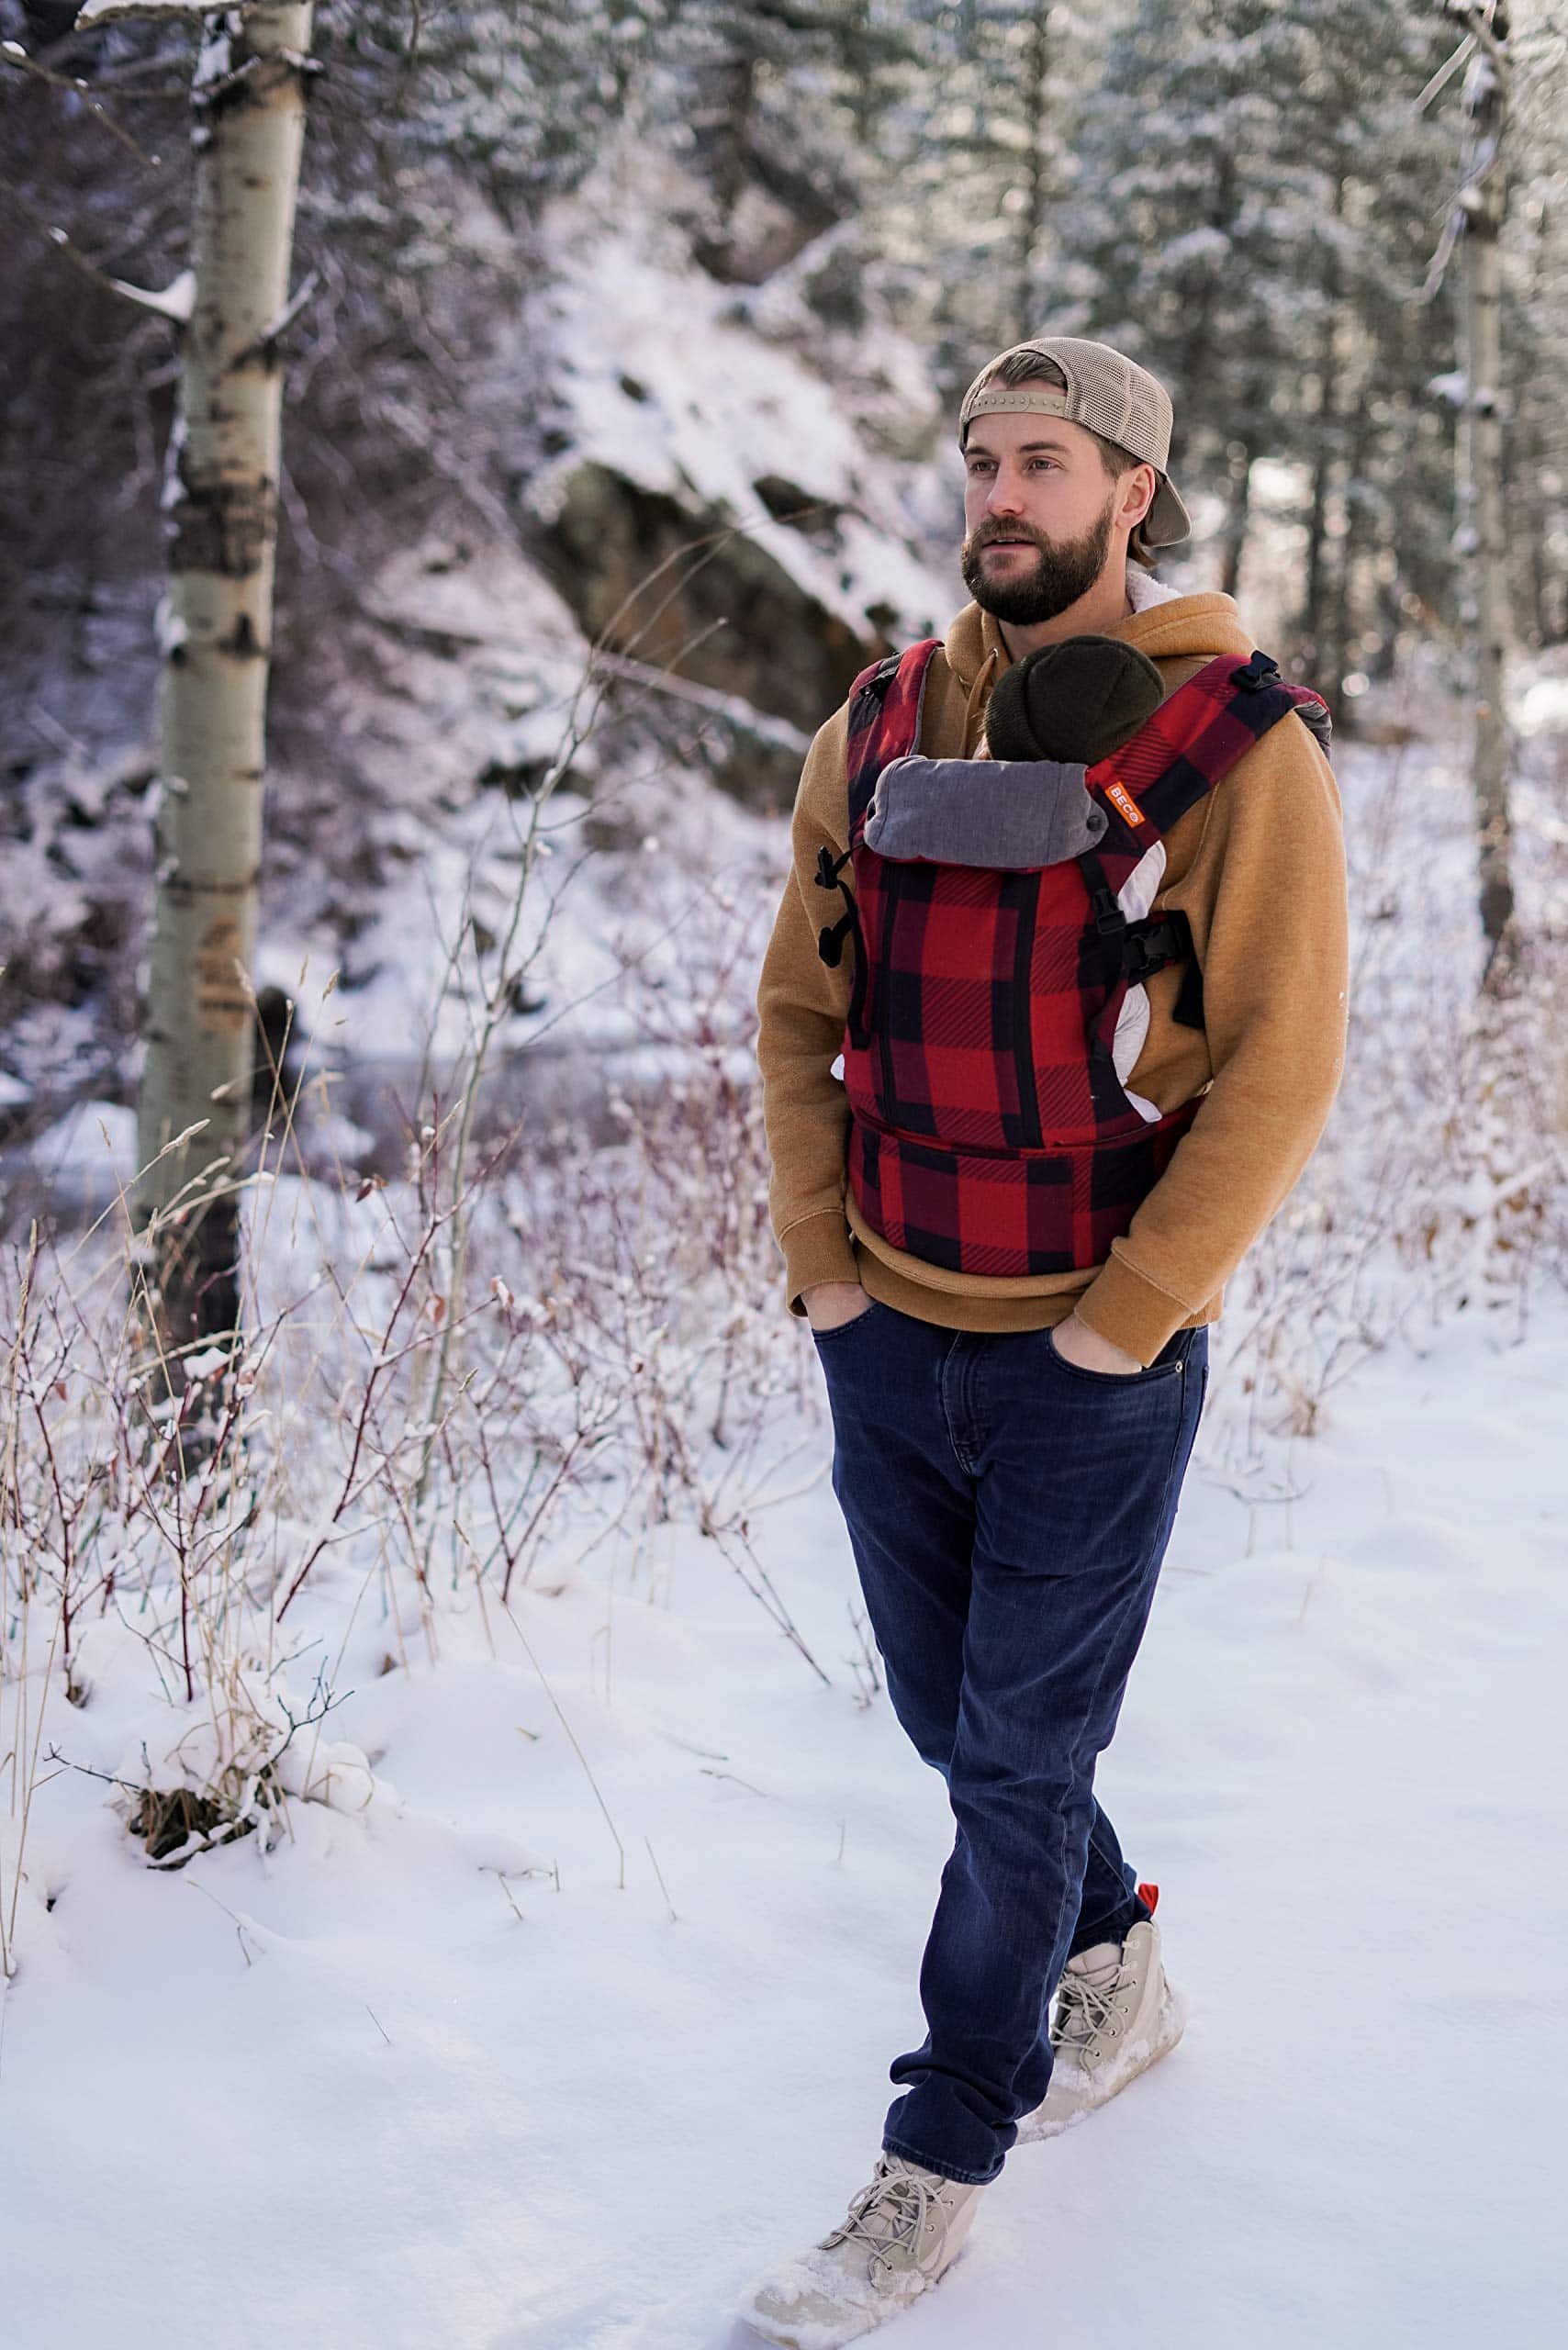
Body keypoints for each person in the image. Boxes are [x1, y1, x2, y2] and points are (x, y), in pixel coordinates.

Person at [740, 336, 1349, 2348]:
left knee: (1010, 1757)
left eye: (1046, 465)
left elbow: (1276, 1064)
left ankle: (935, 2155)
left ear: (1132, 494)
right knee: (957, 1727)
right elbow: (790, 1012)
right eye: (982, 460)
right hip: (885, 1328)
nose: (1000, 494)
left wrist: (1124, 1321)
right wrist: (822, 1270)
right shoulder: (880, 718)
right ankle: (1115, 1953)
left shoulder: (1234, 746)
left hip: (1088, 1362)